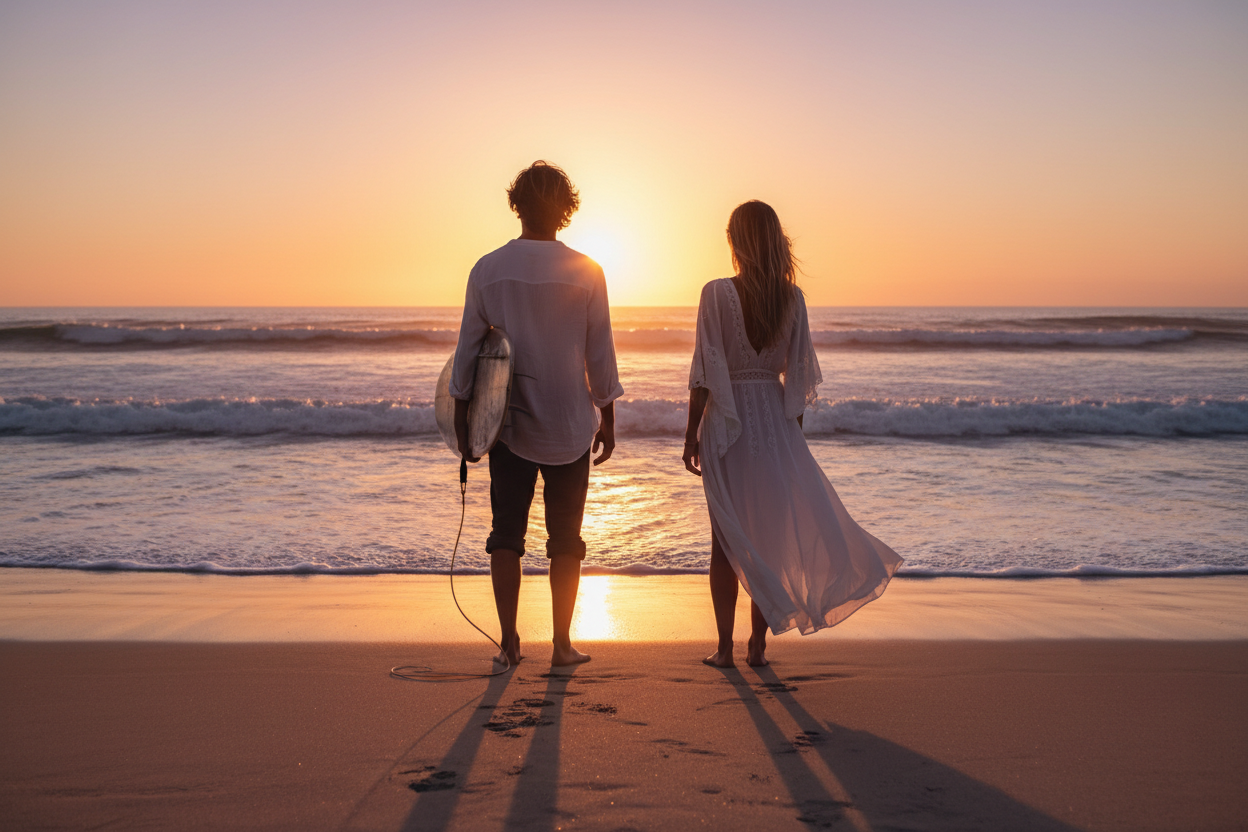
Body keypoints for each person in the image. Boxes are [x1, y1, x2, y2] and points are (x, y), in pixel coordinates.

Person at [683, 200, 903, 668]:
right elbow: (798, 380)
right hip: (776, 427)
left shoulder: (716, 293)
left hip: (728, 423)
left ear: (736, 241)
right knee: (770, 538)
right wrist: (792, 442)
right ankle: (757, 645)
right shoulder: (793, 299)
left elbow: (705, 371)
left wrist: (689, 433)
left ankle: (724, 648)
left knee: (724, 540)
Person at [450, 161, 623, 667]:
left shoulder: (488, 269)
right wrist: (608, 418)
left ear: (517, 205)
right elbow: (600, 354)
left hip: (509, 426)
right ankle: (563, 645)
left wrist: (463, 420)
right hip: (571, 423)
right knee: (566, 538)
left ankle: (509, 645)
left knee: (506, 532)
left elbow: (467, 353)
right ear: (564, 210)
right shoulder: (587, 270)